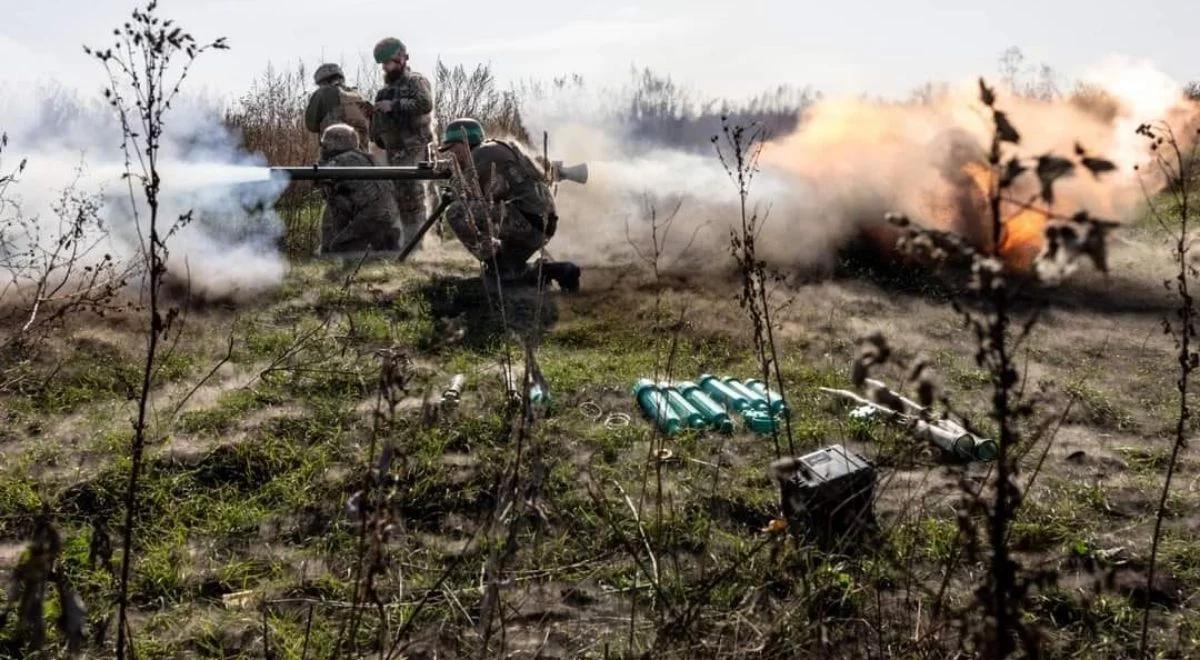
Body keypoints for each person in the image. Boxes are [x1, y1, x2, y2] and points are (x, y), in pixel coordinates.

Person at [438, 118, 580, 291]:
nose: (451, 155)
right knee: (511, 273)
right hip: (540, 223)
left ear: (463, 143)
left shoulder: (480, 155)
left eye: (452, 149)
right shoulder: (497, 148)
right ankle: (559, 271)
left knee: (456, 212)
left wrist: (454, 182)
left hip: (527, 221)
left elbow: (471, 198)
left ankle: (498, 269)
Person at [369, 37, 435, 248]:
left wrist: (394, 105)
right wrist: (373, 118)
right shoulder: (384, 90)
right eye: (383, 64)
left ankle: (418, 244)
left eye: (388, 62)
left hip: (414, 147)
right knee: (400, 197)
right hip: (394, 150)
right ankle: (410, 243)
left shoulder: (416, 81)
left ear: (401, 59)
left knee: (415, 196)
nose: (386, 67)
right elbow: (378, 125)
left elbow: (425, 103)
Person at [316, 124, 400, 254]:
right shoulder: (367, 158)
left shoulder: (340, 161)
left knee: (338, 248)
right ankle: (385, 248)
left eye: (325, 145)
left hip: (371, 216)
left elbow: (323, 184)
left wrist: (321, 163)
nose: (323, 148)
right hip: (389, 215)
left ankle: (356, 266)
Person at [304, 63, 371, 148]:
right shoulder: (358, 95)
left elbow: (311, 125)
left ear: (322, 81)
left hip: (336, 153)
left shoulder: (322, 93)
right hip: (362, 155)